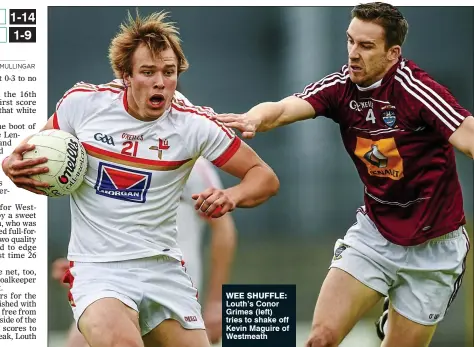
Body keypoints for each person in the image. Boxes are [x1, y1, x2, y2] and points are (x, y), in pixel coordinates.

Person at [3, 10, 279, 347]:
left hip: (163, 270)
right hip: (98, 270)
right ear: (125, 75)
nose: (160, 82)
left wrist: (232, 196)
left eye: (169, 72)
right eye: (148, 72)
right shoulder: (82, 105)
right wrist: (13, 167)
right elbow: (31, 156)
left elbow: (264, 177)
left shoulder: (193, 125)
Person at [213, 3, 473, 347]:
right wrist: (255, 118)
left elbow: (468, 135)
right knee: (319, 338)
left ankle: (392, 307)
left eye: (366, 46)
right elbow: (283, 108)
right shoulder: (341, 87)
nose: (353, 53)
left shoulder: (415, 90)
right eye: (350, 41)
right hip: (376, 235)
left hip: (435, 246)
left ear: (393, 53)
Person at [51, 157, 237, 347]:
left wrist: (216, 303)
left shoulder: (192, 160)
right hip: (114, 284)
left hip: (169, 291)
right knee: (78, 341)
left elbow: (223, 228)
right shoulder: (108, 153)